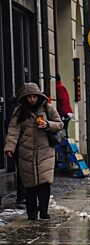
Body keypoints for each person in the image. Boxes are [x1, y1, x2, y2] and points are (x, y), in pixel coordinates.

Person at [4, 83, 63, 220]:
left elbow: (59, 124)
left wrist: (47, 124)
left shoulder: (47, 108)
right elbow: (13, 131)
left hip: (45, 151)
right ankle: (31, 213)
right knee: (29, 185)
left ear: (38, 97)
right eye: (29, 97)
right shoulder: (19, 112)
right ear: (25, 98)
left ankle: (43, 211)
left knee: (44, 183)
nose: (32, 100)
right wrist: (9, 148)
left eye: (34, 97)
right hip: (26, 152)